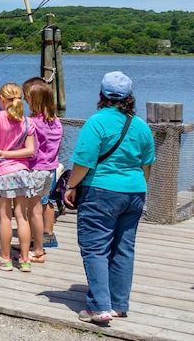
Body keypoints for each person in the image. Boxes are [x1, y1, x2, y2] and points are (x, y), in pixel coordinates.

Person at [63, 71, 155, 327]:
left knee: (95, 248)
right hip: (134, 192)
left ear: (101, 94)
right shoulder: (141, 126)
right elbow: (146, 165)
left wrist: (71, 186)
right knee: (124, 249)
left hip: (100, 191)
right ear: (129, 96)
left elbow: (83, 161)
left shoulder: (96, 123)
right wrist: (136, 187)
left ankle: (99, 307)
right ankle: (118, 305)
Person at [0, 81, 36, 272]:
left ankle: (4, 258)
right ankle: (25, 259)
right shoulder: (27, 122)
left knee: (4, 217)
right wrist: (11, 154)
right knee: (22, 216)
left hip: (2, 173)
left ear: (1, 99)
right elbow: (30, 150)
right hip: (22, 173)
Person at [22, 77, 64, 256]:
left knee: (33, 211)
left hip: (35, 170)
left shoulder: (32, 122)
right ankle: (32, 243)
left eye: (28, 97)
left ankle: (37, 249)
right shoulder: (56, 122)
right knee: (40, 206)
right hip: (50, 170)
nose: (25, 100)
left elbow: (30, 150)